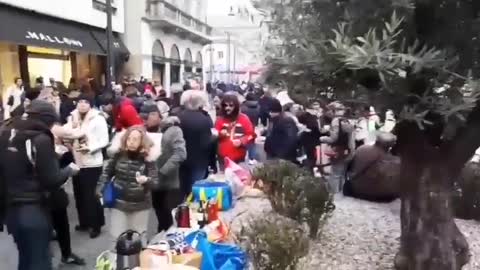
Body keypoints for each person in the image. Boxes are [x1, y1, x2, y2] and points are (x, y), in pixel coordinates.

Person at [0, 100, 80, 270]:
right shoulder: (40, 138)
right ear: (47, 120)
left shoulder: (5, 133)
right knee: (40, 260)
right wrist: (69, 170)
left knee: (26, 257)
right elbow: (51, 180)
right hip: (33, 208)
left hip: (11, 209)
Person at [98, 126, 161, 237]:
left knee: (138, 238)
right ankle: (116, 255)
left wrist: (146, 180)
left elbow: (155, 183)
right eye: (129, 139)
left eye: (135, 139)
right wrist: (100, 188)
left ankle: (137, 255)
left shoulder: (149, 159)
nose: (131, 142)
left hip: (141, 204)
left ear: (142, 141)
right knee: (116, 237)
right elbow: (107, 173)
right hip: (119, 202)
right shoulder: (118, 154)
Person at [63, 94, 109, 238]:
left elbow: (104, 140)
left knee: (92, 195)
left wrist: (91, 148)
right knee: (79, 194)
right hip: (77, 160)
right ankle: (84, 222)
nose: (82, 104)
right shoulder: (72, 117)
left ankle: (96, 224)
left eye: (86, 102)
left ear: (91, 104)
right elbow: (67, 131)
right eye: (80, 102)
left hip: (92, 161)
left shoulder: (98, 118)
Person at [176, 90, 213, 198]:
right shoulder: (205, 119)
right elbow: (209, 142)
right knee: (196, 191)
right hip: (200, 160)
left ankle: (182, 211)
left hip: (181, 160)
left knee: (182, 189)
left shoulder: (178, 117)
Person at [153, 115, 186, 232]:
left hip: (168, 181)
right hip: (153, 181)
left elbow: (180, 154)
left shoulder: (174, 131)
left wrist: (163, 171)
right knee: (159, 210)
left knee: (169, 215)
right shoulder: (149, 130)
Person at [320, 102, 355, 193]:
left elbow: (334, 138)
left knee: (335, 174)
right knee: (342, 174)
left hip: (337, 151)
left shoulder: (335, 121)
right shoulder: (347, 121)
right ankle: (341, 192)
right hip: (347, 150)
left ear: (333, 111)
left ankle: (334, 195)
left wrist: (323, 138)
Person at [216, 94, 255, 166]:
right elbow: (214, 134)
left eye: (231, 106)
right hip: (222, 156)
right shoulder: (220, 119)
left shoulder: (244, 119)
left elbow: (251, 135)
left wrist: (242, 141)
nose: (227, 108)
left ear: (236, 106)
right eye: (225, 105)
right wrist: (220, 133)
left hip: (238, 157)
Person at [264, 99, 299, 163]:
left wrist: (282, 155)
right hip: (272, 153)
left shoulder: (286, 120)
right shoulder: (273, 120)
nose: (269, 114)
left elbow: (291, 139)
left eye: (271, 112)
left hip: (282, 156)